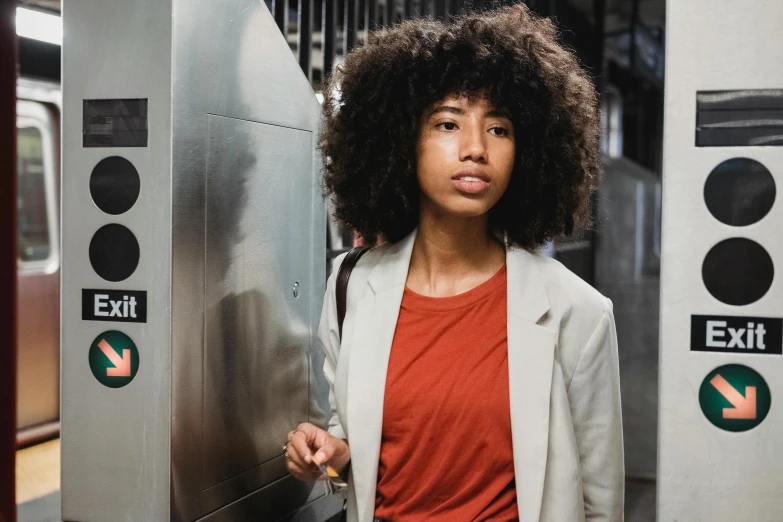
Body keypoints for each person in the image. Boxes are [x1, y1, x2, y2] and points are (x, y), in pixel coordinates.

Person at [285, 4, 624, 521]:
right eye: (447, 123)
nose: (474, 149)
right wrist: (329, 457)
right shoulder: (352, 285)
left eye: (500, 129)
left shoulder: (576, 310)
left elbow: (601, 503)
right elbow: (355, 453)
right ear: (403, 140)